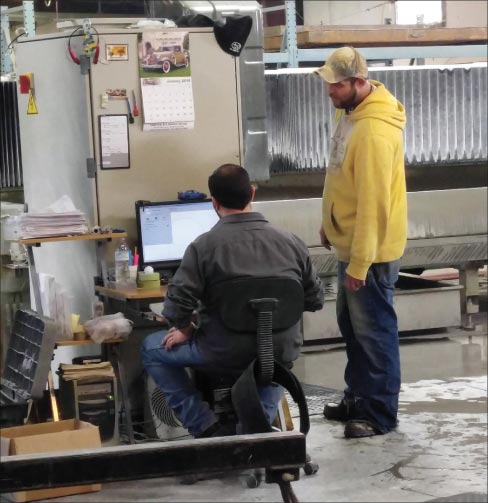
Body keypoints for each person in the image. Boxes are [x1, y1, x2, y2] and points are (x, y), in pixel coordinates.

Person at [141, 164, 324, 438]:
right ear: (252, 192)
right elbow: (315, 299)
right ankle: (255, 430)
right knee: (273, 358)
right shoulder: (292, 242)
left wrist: (186, 328)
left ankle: (204, 425)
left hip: (222, 350)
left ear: (213, 203)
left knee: (151, 348)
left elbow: (175, 307)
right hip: (279, 350)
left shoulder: (203, 247)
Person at [315, 46, 407, 438]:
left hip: (368, 252)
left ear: (357, 82)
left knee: (374, 334)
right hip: (349, 244)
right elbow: (338, 174)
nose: (329, 92)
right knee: (352, 328)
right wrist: (329, 221)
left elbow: (374, 204)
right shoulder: (350, 113)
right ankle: (359, 399)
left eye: (336, 86)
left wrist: (360, 263)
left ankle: (379, 414)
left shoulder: (373, 132)